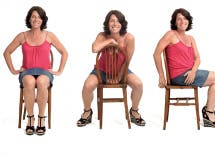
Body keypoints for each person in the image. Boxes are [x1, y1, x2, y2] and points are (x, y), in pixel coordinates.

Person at [153, 8, 215, 128]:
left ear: (188, 21)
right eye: (179, 19)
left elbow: (198, 58)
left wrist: (193, 71)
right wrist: (161, 76)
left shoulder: (191, 38)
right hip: (179, 76)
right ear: (175, 22)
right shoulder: (170, 34)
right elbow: (156, 54)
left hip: (189, 74)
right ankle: (209, 113)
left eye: (185, 18)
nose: (182, 21)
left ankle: (208, 111)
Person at [3, 6, 69, 135]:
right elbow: (7, 52)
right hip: (27, 71)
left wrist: (59, 71)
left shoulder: (49, 35)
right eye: (33, 16)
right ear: (29, 19)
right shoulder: (22, 36)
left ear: (42, 20)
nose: (36, 19)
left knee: (41, 82)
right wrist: (13, 70)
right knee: (29, 82)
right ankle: (30, 118)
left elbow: (64, 52)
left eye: (39, 17)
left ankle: (41, 118)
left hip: (45, 71)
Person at [77, 10, 146, 127]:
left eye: (118, 21)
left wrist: (119, 77)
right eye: (112, 21)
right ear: (107, 23)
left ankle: (134, 111)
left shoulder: (129, 38)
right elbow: (94, 49)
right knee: (87, 86)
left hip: (121, 70)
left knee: (138, 84)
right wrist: (109, 40)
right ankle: (87, 112)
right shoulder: (102, 35)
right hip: (101, 71)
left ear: (122, 24)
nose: (115, 24)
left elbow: (127, 60)